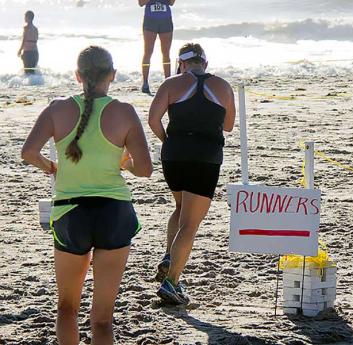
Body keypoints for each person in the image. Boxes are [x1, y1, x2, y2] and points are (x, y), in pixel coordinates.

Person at [21, 46, 152, 344]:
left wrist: (50, 166)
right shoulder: (125, 111)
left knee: (67, 310)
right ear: (113, 75)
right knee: (103, 320)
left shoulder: (57, 108)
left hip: (71, 213)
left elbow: (28, 152)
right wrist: (124, 163)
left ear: (77, 76)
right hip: (114, 212)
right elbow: (145, 169)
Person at [148, 43, 235, 304]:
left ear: (181, 64)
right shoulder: (222, 86)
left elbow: (153, 120)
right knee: (190, 223)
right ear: (205, 64)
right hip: (205, 157)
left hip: (173, 155)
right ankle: (172, 282)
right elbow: (228, 126)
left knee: (180, 206)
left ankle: (168, 256)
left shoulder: (171, 84)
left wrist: (168, 141)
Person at [139, 0, 175, 94]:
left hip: (165, 20)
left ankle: (168, 82)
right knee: (148, 51)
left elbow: (171, 3)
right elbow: (141, 3)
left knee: (166, 52)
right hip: (150, 20)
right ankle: (145, 82)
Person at [17, 10, 39, 74]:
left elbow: (24, 40)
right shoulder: (35, 29)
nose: (24, 18)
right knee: (33, 73)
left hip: (28, 53)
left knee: (27, 73)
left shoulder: (26, 28)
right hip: (35, 53)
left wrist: (19, 50)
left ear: (28, 18)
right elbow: (36, 39)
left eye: (25, 17)